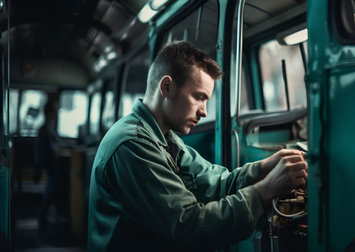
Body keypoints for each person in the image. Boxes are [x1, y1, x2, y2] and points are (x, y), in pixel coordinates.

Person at [88, 41, 308, 251]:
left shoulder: (165, 138)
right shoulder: (133, 145)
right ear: (166, 87)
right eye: (198, 97)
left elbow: (215, 183)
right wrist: (265, 190)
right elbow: (187, 226)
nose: (203, 111)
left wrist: (263, 168)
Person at [34, 97, 65, 228]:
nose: (57, 113)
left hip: (49, 163)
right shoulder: (45, 129)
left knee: (53, 187)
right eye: (55, 111)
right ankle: (43, 214)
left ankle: (48, 213)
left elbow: (57, 143)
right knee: (52, 188)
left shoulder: (48, 128)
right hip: (48, 163)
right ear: (50, 113)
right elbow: (52, 147)